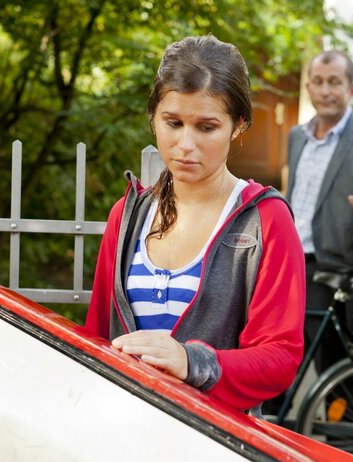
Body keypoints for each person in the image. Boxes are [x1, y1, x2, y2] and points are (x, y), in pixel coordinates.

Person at [80, 35, 305, 415]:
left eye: (206, 127)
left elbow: (280, 356)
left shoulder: (265, 219)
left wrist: (193, 362)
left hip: (215, 445)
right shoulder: (128, 215)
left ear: (238, 126)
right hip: (120, 433)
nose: (185, 144)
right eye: (174, 122)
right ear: (153, 118)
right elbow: (96, 334)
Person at [283, 49, 353, 419]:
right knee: (278, 359)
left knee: (333, 372)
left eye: (335, 82)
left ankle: (341, 447)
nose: (326, 90)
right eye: (318, 81)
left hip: (336, 273)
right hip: (290, 265)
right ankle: (269, 434)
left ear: (351, 88)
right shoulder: (296, 138)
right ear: (308, 87)